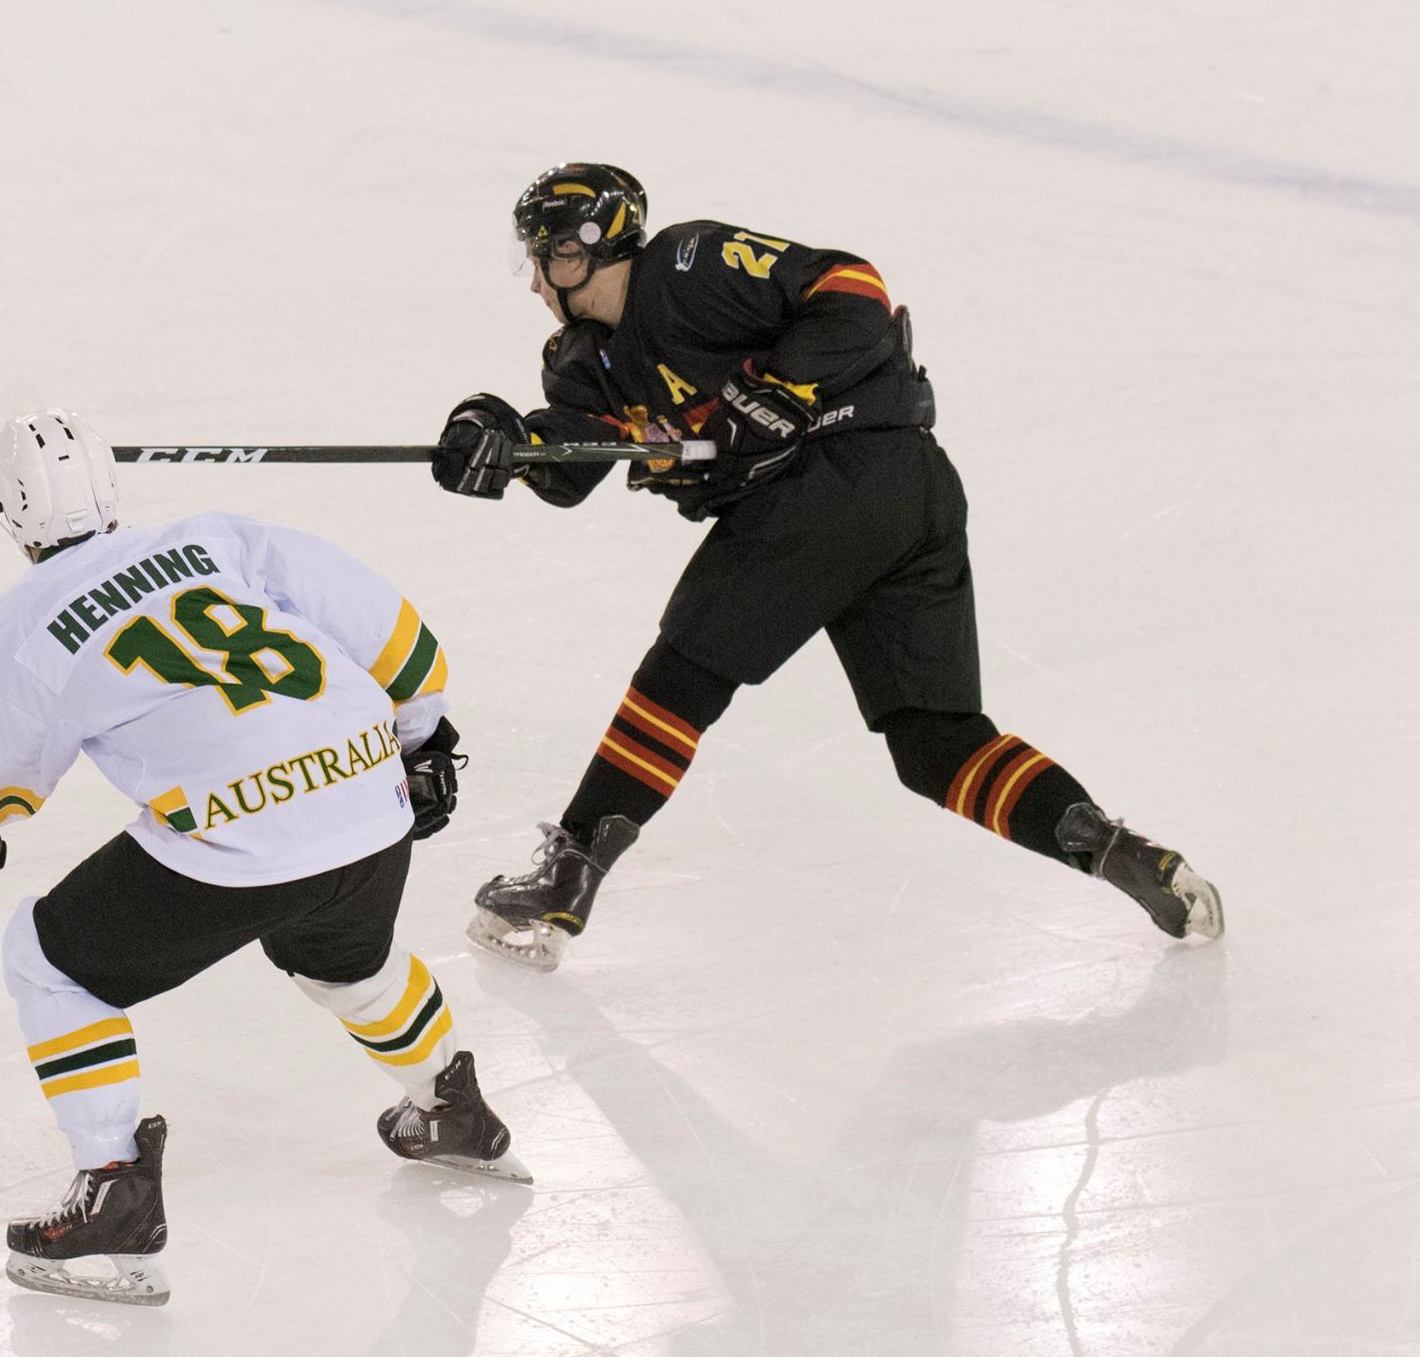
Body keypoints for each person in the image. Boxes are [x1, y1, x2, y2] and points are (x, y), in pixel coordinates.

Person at [431, 162, 1224, 973]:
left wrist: (783, 387)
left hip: (837, 479)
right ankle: (1113, 847)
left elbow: (852, 287)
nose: (532, 279)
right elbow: (568, 464)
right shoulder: (584, 360)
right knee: (935, 745)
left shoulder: (688, 267)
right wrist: (496, 443)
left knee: (683, 675)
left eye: (542, 257)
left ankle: (567, 880)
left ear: (580, 251)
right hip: (906, 500)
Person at [0, 410, 529, 1306]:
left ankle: (115, 1187)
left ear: (4, 512)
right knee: (349, 959)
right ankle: (453, 1107)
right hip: (366, 795)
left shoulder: (20, 626)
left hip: (242, 836)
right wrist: (422, 739)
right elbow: (398, 638)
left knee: (46, 963)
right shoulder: (219, 539)